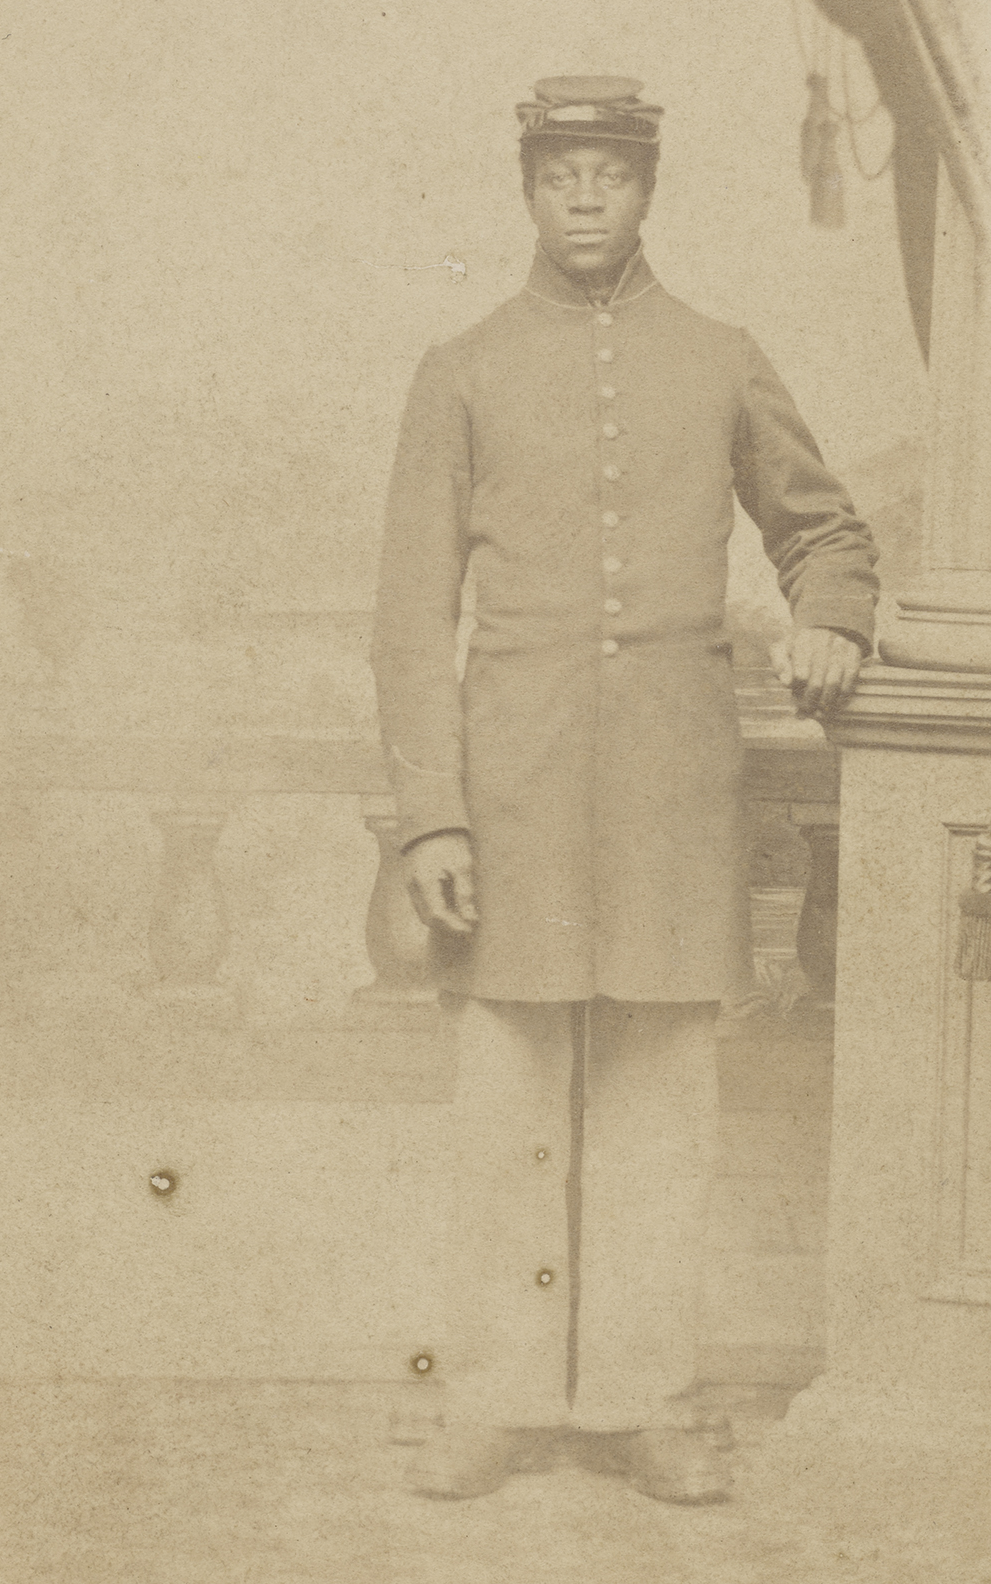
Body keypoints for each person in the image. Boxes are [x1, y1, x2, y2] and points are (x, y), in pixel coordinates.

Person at [370, 76, 878, 1502]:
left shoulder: (720, 357)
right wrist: (435, 813)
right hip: (511, 792)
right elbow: (411, 617)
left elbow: (824, 525)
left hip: (670, 787)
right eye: (561, 173)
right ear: (526, 188)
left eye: (611, 173)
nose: (586, 197)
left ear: (650, 187)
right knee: (507, 1100)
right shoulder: (459, 369)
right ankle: (499, 1394)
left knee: (662, 1106)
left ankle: (645, 1397)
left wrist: (830, 607)